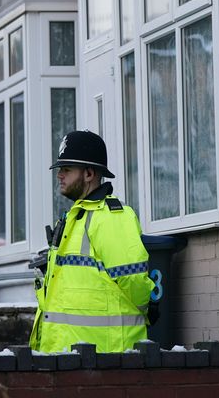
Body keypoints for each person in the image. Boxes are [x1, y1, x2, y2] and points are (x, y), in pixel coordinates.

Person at [29, 130, 155, 353]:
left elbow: (134, 281)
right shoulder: (74, 218)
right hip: (70, 357)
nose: (60, 175)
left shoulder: (110, 217)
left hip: (104, 359)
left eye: (67, 169)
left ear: (88, 174)